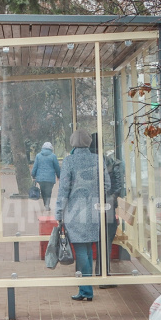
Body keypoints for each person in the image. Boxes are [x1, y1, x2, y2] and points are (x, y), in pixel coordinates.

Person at [55, 129, 110, 301]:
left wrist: (59, 211)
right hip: (94, 211)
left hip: (75, 212)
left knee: (81, 251)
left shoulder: (69, 161)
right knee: (87, 250)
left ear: (72, 143)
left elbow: (64, 189)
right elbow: (106, 184)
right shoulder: (97, 159)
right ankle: (85, 289)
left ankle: (86, 290)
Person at [89, 132, 124, 287]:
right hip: (106, 208)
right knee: (105, 241)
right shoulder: (111, 162)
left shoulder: (86, 162)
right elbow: (117, 187)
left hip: (87, 208)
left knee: (88, 241)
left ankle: (85, 276)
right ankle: (103, 274)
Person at [31, 142, 61, 209]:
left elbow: (35, 166)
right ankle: (47, 204)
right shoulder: (53, 156)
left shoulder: (38, 156)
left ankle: (45, 204)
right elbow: (57, 167)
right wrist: (59, 175)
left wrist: (33, 175)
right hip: (50, 178)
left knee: (43, 191)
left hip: (40, 178)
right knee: (49, 191)